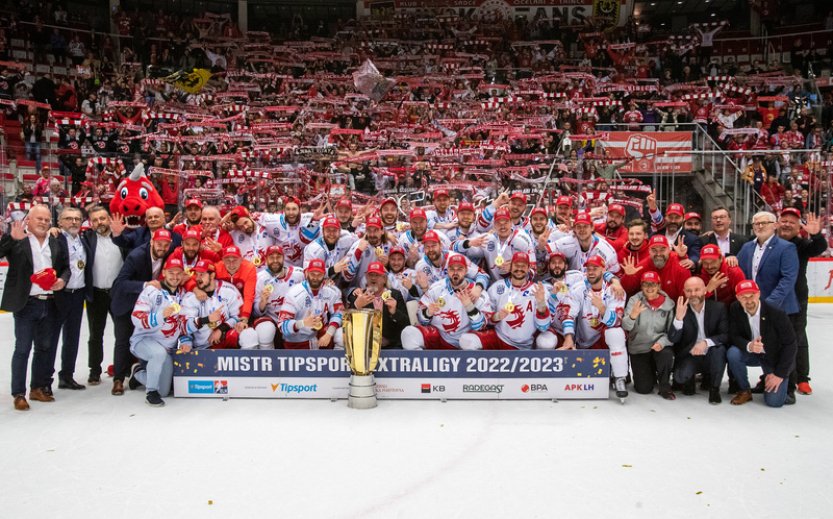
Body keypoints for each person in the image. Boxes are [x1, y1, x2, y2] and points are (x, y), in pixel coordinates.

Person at [0, 205, 70, 410]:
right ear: (28, 220)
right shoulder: (18, 239)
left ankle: (38, 387)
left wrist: (62, 281)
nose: (43, 222)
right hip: (27, 304)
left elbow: (65, 267)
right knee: (22, 348)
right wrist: (11, 238)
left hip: (49, 302)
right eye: (39, 218)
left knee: (44, 348)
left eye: (47, 219)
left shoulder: (55, 241)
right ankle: (19, 393)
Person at [110, 229, 174, 396]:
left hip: (148, 304)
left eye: (166, 245)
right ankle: (118, 379)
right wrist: (145, 285)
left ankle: (141, 372)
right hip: (127, 304)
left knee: (150, 338)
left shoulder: (168, 254)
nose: (162, 247)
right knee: (123, 341)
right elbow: (120, 283)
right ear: (152, 241)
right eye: (159, 243)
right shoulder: (137, 256)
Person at [561, 255, 629, 399]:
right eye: (588, 269)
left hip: (605, 341)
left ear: (603, 270)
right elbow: (568, 314)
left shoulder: (615, 290)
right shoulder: (578, 288)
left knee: (616, 333)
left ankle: (620, 378)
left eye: (595, 268)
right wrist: (568, 338)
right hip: (584, 341)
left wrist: (602, 309)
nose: (591, 272)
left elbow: (616, 322)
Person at [776, 208, 826, 397]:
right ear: (778, 223)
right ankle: (774, 375)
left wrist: (817, 235)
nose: (787, 224)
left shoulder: (802, 244)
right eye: (784, 220)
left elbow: (818, 248)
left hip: (796, 298)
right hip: (774, 297)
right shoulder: (770, 242)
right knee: (775, 338)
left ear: (799, 227)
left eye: (792, 222)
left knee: (796, 338)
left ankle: (801, 378)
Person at [459, 252, 551, 350]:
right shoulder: (497, 287)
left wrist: (541, 303)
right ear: (510, 267)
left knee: (547, 342)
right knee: (467, 341)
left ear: (528, 269)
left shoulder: (538, 290)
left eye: (523, 266)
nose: (519, 269)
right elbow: (486, 320)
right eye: (516, 265)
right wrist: (497, 316)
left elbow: (543, 327)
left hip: (524, 345)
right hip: (499, 338)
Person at [727, 280, 797, 408]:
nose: (748, 301)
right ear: (737, 297)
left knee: (774, 402)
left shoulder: (776, 312)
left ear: (759, 294)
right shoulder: (735, 308)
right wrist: (749, 345)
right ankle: (744, 390)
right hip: (753, 353)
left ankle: (784, 385)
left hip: (774, 358)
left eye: (751, 295)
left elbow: (790, 344)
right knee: (733, 353)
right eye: (743, 297)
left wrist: (778, 374)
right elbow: (734, 335)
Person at [129, 256, 187, 407]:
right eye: (171, 273)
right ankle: (150, 392)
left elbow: (184, 324)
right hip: (144, 341)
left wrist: (185, 340)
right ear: (164, 273)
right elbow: (137, 318)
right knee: (157, 354)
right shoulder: (151, 291)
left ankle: (138, 375)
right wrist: (161, 315)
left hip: (166, 348)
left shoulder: (183, 295)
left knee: (164, 390)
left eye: (178, 273)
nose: (175, 277)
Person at [402, 253, 491, 350]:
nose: (455, 272)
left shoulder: (478, 292)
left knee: (468, 341)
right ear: (447, 270)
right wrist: (428, 312)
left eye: (460, 269)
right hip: (438, 337)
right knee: (408, 333)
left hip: (464, 342)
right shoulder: (437, 288)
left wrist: (469, 306)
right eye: (452, 269)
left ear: (466, 271)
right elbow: (421, 320)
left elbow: (482, 327)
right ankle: (425, 364)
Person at [82, 205, 125, 385]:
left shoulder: (122, 238)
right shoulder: (86, 239)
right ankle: (94, 370)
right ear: (91, 223)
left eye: (103, 218)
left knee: (122, 334)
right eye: (96, 220)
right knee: (95, 335)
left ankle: (123, 369)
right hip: (97, 294)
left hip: (118, 294)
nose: (100, 222)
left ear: (109, 219)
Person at [668, 277, 729, 404]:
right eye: (689, 291)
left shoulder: (718, 308)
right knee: (680, 378)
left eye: (697, 290)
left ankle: (714, 389)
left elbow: (725, 335)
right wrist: (678, 319)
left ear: (705, 290)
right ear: (684, 292)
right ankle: (692, 378)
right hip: (690, 355)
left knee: (720, 349)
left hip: (711, 352)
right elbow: (673, 338)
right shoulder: (679, 308)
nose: (693, 294)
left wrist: (706, 342)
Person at [50, 207, 89, 390]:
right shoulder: (55, 238)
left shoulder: (85, 239)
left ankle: (67, 376)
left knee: (72, 338)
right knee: (51, 338)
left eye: (77, 219)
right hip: (59, 294)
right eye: (69, 219)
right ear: (59, 222)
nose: (74, 222)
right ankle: (44, 380)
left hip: (78, 293)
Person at [622, 271, 676, 399]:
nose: (650, 288)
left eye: (653, 284)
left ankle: (664, 385)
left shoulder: (668, 305)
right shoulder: (635, 300)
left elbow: (671, 332)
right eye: (646, 284)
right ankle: (650, 372)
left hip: (658, 346)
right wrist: (633, 316)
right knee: (643, 388)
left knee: (667, 354)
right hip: (639, 347)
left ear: (659, 286)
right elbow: (625, 326)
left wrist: (662, 342)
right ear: (641, 286)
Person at [277, 258, 344, 349]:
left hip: (319, 336)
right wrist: (303, 323)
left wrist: (329, 334)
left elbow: (339, 313)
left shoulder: (332, 291)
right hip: (297, 341)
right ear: (307, 273)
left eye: (319, 275)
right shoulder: (294, 293)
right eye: (312, 274)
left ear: (324, 275)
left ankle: (336, 361)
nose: (315, 278)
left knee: (340, 335)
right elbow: (282, 326)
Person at [181, 260, 249, 349]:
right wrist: (206, 319)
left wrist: (221, 329)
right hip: (203, 348)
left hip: (226, 339)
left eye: (202, 274)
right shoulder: (190, 297)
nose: (197, 278)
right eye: (196, 274)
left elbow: (238, 318)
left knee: (248, 334)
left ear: (212, 275)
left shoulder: (229, 290)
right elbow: (185, 327)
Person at [454, 207, 534, 282]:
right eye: (499, 223)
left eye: (505, 222)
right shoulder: (487, 239)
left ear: (511, 223)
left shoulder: (523, 239)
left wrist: (517, 268)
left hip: (519, 286)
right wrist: (468, 243)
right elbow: (453, 247)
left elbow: (533, 272)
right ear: (494, 225)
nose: (502, 226)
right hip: (494, 287)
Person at [248, 246, 305, 349]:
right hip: (274, 322)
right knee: (264, 329)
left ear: (283, 258)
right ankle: (268, 362)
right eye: (271, 257)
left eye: (278, 257)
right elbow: (256, 313)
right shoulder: (260, 278)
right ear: (265, 260)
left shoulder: (299, 274)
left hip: (295, 321)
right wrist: (263, 302)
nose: (275, 260)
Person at [347, 262, 409, 348]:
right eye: (370, 275)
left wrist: (394, 312)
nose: (373, 278)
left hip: (392, 347)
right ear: (366, 277)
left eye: (377, 275)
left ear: (384, 278)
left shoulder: (395, 295)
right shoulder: (359, 296)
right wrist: (357, 306)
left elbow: (406, 325)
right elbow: (348, 326)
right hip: (365, 348)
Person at [620, 235, 691, 300]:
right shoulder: (642, 266)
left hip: (674, 309)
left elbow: (686, 297)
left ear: (669, 250)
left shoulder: (680, 267)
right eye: (654, 250)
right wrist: (628, 277)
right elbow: (625, 290)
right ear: (649, 251)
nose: (658, 254)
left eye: (662, 249)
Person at [551, 211, 620, 274]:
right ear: (574, 229)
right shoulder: (569, 241)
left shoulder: (605, 250)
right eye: (579, 227)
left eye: (585, 226)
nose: (582, 230)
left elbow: (615, 275)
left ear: (592, 227)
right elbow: (546, 249)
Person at [111, 206, 182, 250]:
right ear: (146, 221)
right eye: (150, 217)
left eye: (156, 216)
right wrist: (117, 234)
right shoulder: (139, 233)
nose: (153, 219)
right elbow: (124, 242)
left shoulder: (176, 237)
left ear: (164, 219)